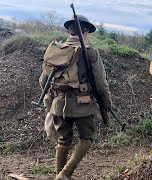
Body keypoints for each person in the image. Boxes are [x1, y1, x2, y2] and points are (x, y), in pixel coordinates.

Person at [39, 15, 112, 180]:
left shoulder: (55, 50)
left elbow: (43, 82)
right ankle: (65, 174)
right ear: (85, 31)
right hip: (83, 106)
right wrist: (107, 102)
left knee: (64, 140)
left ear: (68, 31)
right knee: (87, 138)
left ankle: (59, 176)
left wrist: (53, 99)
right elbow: (101, 83)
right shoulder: (90, 52)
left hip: (57, 104)